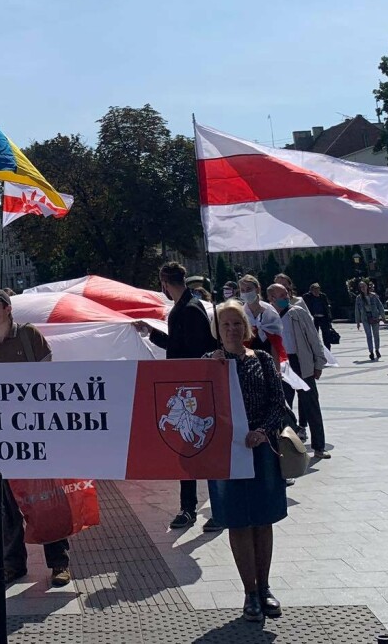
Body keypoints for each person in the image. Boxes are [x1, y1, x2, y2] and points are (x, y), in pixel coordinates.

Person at [0, 288, 71, 587]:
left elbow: (50, 379)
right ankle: (12, 565)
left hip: (35, 431)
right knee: (5, 504)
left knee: (46, 498)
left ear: (7, 309)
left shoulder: (30, 336)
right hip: (2, 437)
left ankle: (59, 564)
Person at [203, 300, 290, 623]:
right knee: (238, 520)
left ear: (247, 327)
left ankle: (265, 588)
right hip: (226, 454)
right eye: (224, 324)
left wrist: (263, 431)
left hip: (260, 448)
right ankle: (249, 593)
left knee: (262, 519)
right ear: (217, 330)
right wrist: (209, 369)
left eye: (236, 323)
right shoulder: (209, 362)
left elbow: (277, 403)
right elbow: (198, 404)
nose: (231, 329)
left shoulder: (263, 360)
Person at [136, 261, 220, 531]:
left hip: (195, 388)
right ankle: (189, 507)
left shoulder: (190, 309)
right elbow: (180, 344)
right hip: (187, 386)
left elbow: (193, 350)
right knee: (188, 451)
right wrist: (152, 334)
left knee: (201, 450)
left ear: (164, 282)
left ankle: (207, 508)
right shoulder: (185, 306)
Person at [273, 284, 329, 459]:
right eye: (281, 295)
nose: (286, 297)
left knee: (311, 404)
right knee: (282, 406)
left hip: (300, 362)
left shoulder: (298, 313)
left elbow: (313, 337)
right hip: (282, 364)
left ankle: (319, 446)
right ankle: (289, 445)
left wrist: (318, 362)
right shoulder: (268, 316)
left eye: (287, 294)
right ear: (271, 298)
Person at [238, 276, 282, 355]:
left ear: (257, 289)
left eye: (249, 289)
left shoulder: (269, 311)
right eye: (242, 290)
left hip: (269, 355)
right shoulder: (240, 314)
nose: (246, 293)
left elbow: (276, 341)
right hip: (248, 357)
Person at [353, 279, 384, 362]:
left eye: (364, 286)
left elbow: (380, 306)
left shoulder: (373, 296)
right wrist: (358, 322)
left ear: (367, 286)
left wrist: (383, 317)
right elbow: (357, 310)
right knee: (368, 335)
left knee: (376, 334)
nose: (362, 288)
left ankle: (377, 349)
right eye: (361, 287)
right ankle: (371, 351)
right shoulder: (359, 298)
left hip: (374, 316)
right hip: (365, 317)